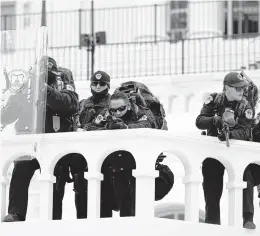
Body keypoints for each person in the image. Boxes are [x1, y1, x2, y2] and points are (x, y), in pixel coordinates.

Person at [2, 56, 79, 222]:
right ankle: (16, 213)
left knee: (55, 185)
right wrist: (10, 98)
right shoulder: (26, 88)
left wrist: (45, 89)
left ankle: (52, 219)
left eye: (48, 73)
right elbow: (9, 114)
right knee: (20, 173)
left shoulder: (64, 84)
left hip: (54, 143)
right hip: (30, 142)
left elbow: (68, 104)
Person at [85, 91, 173, 217]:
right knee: (103, 208)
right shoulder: (106, 113)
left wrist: (125, 128)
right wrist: (108, 128)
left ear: (128, 106)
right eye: (113, 110)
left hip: (135, 168)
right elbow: (89, 128)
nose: (117, 113)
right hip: (113, 169)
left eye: (121, 109)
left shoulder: (141, 112)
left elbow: (147, 125)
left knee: (131, 211)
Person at [196, 71, 255, 228]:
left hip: (236, 151)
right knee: (211, 185)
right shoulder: (214, 100)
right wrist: (215, 121)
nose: (241, 91)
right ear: (227, 88)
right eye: (237, 88)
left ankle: (248, 219)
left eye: (243, 88)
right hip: (214, 151)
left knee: (244, 177)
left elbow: (244, 131)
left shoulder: (246, 106)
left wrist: (230, 134)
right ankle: (212, 222)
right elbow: (199, 121)